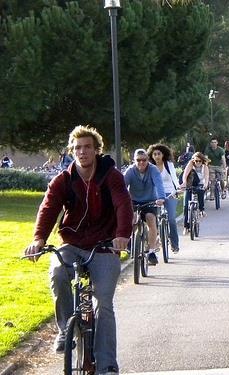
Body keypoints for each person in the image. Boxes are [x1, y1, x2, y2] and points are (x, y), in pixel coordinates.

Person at [24, 125, 133, 375]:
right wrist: (39, 239)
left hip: (104, 246)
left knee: (103, 303)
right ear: (71, 152)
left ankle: (106, 364)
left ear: (96, 150)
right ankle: (65, 330)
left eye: (87, 147)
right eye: (77, 148)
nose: (82, 152)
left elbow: (123, 205)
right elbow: (49, 208)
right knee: (58, 273)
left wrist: (121, 235)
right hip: (73, 243)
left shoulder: (111, 176)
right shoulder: (64, 179)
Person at [124, 149, 165, 265]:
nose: (141, 163)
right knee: (131, 220)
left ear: (148, 160)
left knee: (151, 219)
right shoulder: (130, 171)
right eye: (138, 160)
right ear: (134, 161)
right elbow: (122, 186)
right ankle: (130, 242)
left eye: (144, 160)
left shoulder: (153, 170)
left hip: (150, 201)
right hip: (134, 201)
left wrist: (161, 198)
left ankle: (151, 251)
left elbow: (159, 184)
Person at [147, 144, 180, 253]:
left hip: (170, 193)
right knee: (152, 219)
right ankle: (156, 241)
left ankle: (174, 244)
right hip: (155, 195)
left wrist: (177, 189)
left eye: (159, 154)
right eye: (155, 154)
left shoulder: (168, 165)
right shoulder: (150, 167)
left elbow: (174, 178)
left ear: (163, 154)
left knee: (171, 219)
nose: (157, 156)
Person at [180, 152, 210, 235]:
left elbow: (206, 177)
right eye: (196, 161)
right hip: (190, 184)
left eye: (200, 161)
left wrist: (205, 185)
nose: (198, 163)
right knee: (186, 205)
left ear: (202, 161)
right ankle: (186, 227)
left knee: (200, 191)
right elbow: (185, 175)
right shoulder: (190, 164)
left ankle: (201, 209)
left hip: (200, 184)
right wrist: (184, 183)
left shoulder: (205, 167)